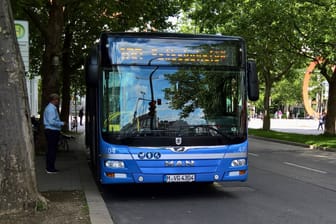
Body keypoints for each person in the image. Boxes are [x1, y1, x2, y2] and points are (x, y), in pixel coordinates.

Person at [43, 93, 65, 174]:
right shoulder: (51, 109)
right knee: (52, 150)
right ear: (53, 100)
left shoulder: (50, 108)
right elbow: (51, 121)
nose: (58, 101)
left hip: (51, 131)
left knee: (51, 150)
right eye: (57, 99)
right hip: (52, 131)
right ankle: (50, 168)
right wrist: (62, 123)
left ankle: (50, 167)